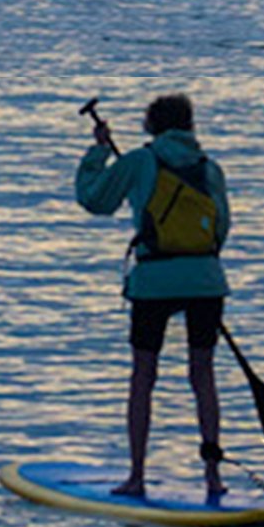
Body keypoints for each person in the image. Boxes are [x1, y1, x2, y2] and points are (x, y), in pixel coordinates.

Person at [74, 92, 231, 506]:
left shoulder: (141, 160)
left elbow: (95, 199)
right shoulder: (210, 168)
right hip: (206, 280)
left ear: (151, 125)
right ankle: (213, 477)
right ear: (189, 125)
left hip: (154, 281)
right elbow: (221, 229)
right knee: (203, 376)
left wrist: (99, 152)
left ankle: (137, 476)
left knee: (144, 375)